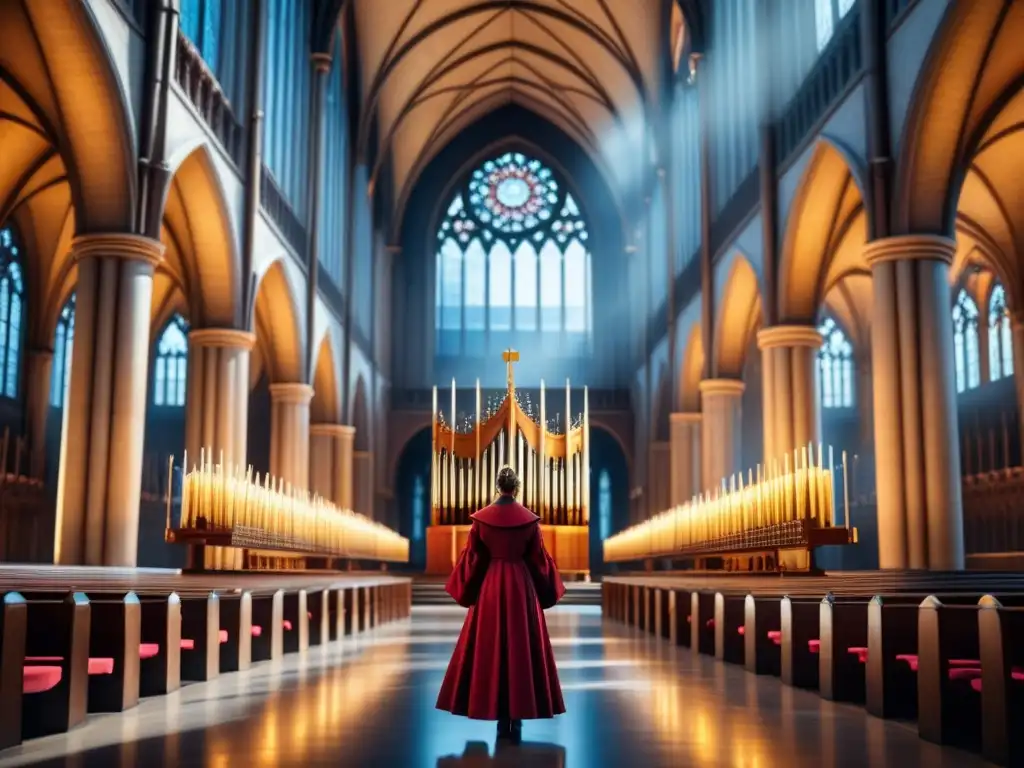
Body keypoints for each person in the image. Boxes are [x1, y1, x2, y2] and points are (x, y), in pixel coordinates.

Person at [436, 465, 566, 741]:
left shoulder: (482, 521)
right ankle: (517, 713)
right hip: (521, 586)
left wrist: (466, 590)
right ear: (516, 488)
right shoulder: (529, 521)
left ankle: (494, 708)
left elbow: (473, 558)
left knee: (490, 646)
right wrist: (548, 590)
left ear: (498, 487)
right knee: (521, 649)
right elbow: (539, 560)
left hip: (491, 587)